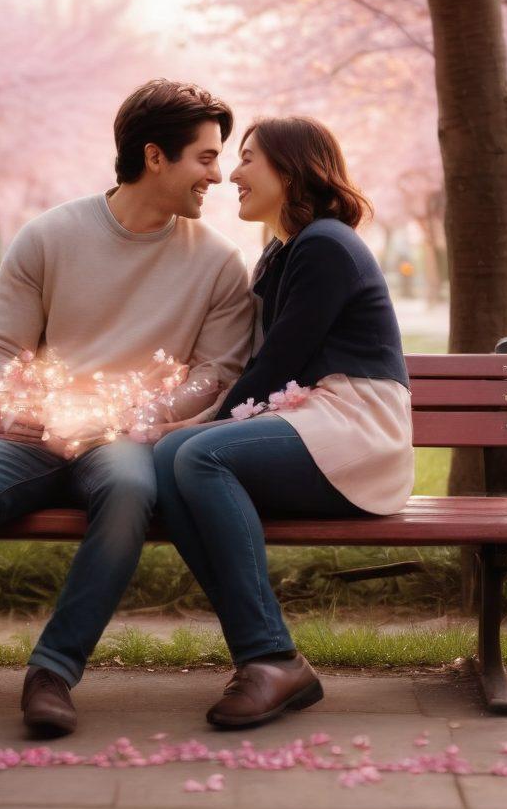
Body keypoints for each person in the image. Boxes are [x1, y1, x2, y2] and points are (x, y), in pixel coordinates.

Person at [0, 80, 253, 734]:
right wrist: (9, 410)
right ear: (154, 157)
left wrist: (118, 419)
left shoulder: (219, 264)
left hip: (125, 440)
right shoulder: (50, 236)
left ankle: (53, 672)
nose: (219, 174)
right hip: (29, 432)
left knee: (127, 491)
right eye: (205, 156)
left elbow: (216, 376)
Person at [154, 117, 414, 729]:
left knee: (197, 454)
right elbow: (264, 363)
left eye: (248, 159)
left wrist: (206, 421)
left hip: (357, 426)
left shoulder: (326, 244)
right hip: (317, 418)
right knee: (171, 460)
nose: (232, 175)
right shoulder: (285, 250)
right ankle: (263, 654)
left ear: (291, 169)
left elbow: (279, 362)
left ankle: (270, 656)